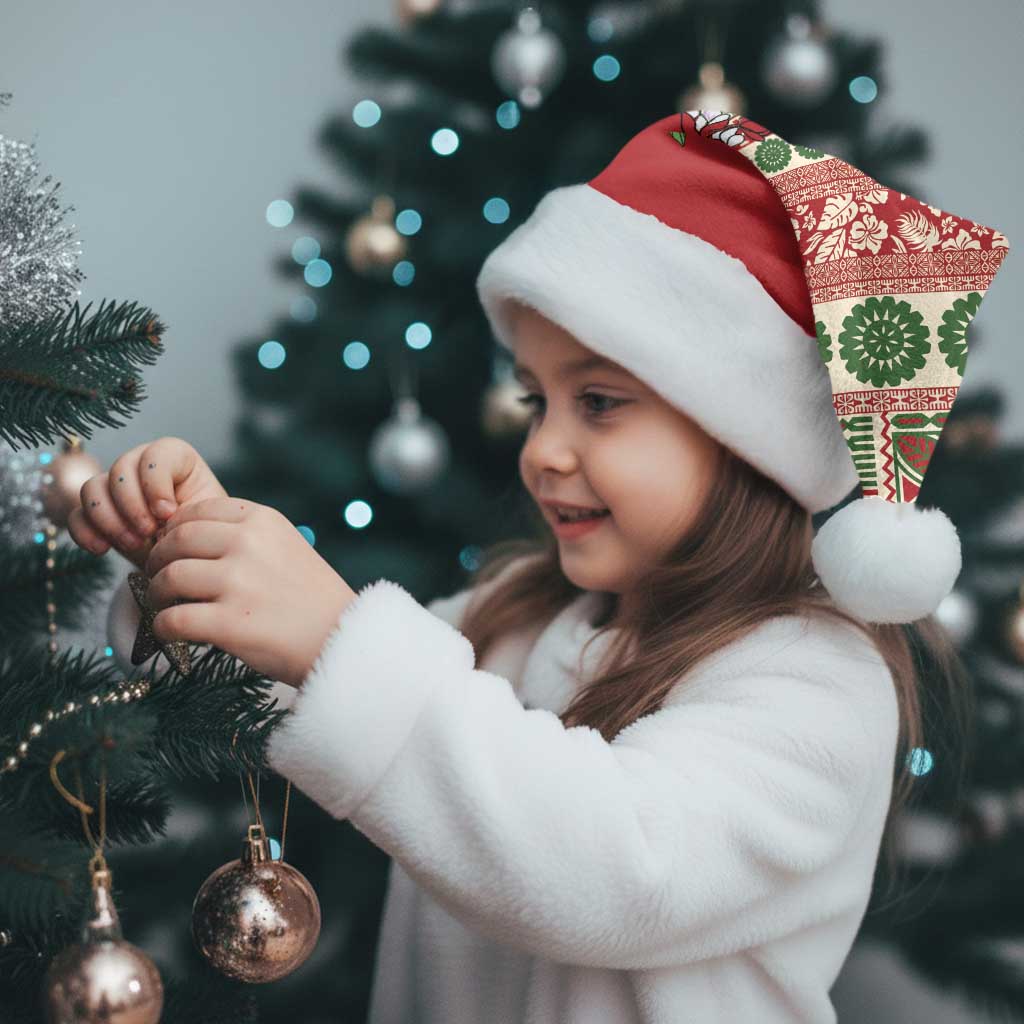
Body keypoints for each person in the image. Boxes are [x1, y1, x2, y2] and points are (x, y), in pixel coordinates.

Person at [72, 110, 1010, 1023]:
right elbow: (303, 691)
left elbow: (616, 872)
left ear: (746, 438)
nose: (542, 451)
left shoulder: (818, 683)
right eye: (535, 401)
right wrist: (193, 564)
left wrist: (334, 638)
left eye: (598, 402)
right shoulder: (517, 616)